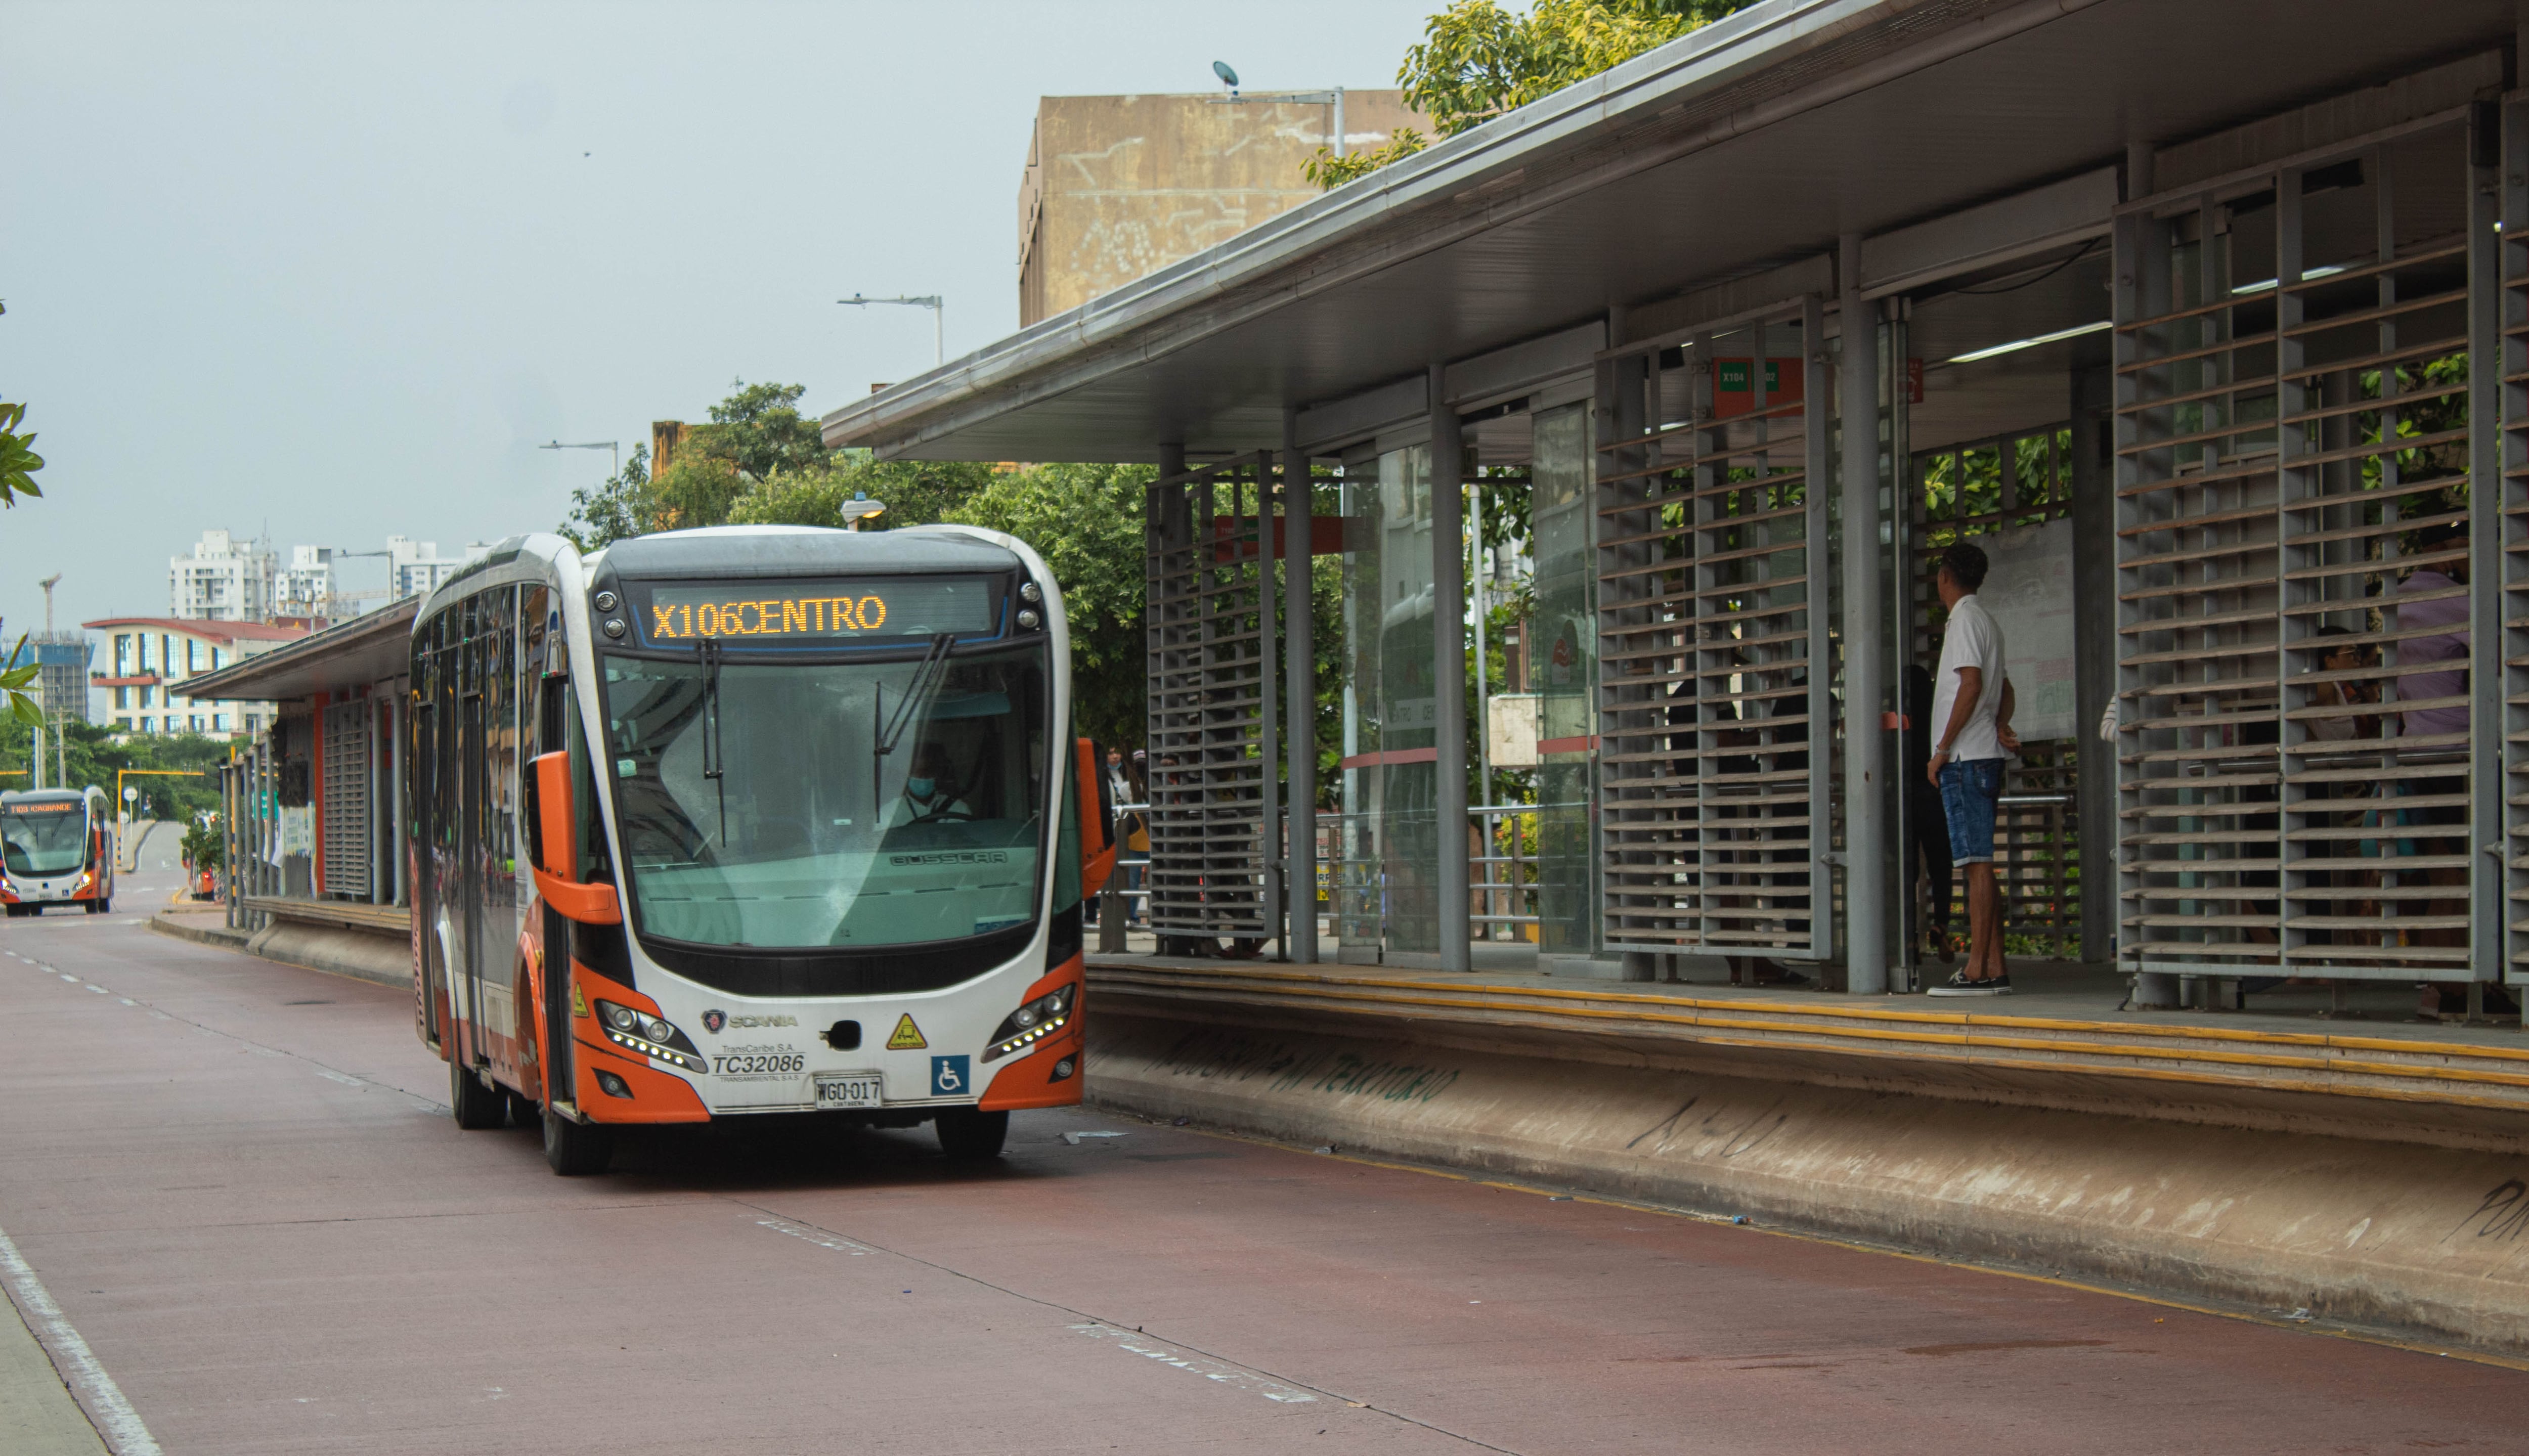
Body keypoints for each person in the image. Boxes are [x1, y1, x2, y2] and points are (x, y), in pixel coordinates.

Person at [2391, 523, 2513, 1017]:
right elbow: (2500, 653)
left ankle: (2448, 985)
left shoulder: (2393, 598)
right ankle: (2447, 988)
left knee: (2439, 868)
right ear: (2444, 551)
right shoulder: (2455, 597)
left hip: (2412, 751)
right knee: (2466, 871)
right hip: (2457, 751)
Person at [1924, 542, 2020, 995]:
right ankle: (1996, 964)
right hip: (1984, 751)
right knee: (1981, 862)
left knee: (1976, 863)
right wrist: (2000, 722)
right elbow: (2005, 687)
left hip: (1966, 756)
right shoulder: (1987, 620)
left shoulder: (1963, 619)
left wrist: (1942, 747)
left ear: (1946, 576)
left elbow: (1972, 685)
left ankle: (1978, 968)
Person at [1903, 662, 1955, 963]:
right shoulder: (1938, 717)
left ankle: (1909, 938)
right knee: (1941, 867)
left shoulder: (1900, 720)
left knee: (1907, 871)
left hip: (1906, 798)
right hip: (1935, 795)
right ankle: (1941, 925)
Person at [886, 743, 971, 828]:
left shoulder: (958, 808)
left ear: (937, 775)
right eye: (917, 772)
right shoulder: (891, 812)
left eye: (928, 772)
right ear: (905, 776)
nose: (923, 778)